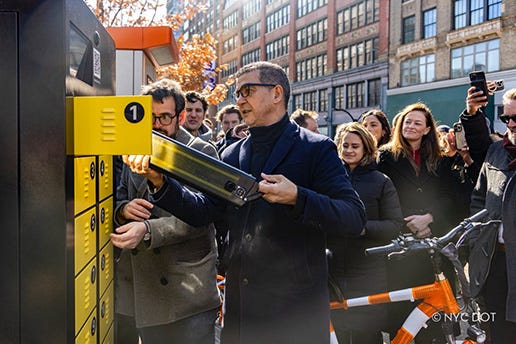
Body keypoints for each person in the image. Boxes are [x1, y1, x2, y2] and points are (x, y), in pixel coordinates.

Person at [122, 61, 366, 344]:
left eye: (247, 91)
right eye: (237, 93)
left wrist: (298, 197)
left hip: (294, 312)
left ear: (276, 93)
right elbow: (204, 211)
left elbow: (354, 217)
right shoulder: (231, 154)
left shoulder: (315, 148)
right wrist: (160, 182)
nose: (239, 100)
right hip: (241, 312)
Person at [110, 78, 221, 344]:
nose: (157, 124)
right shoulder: (134, 145)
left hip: (186, 291)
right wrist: (124, 209)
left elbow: (203, 216)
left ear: (180, 116)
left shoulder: (201, 150)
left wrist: (148, 230)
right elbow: (119, 196)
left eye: (165, 117)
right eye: (150, 117)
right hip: (142, 286)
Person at [377, 102, 454, 342]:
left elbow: (451, 194)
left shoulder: (440, 159)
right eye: (407, 121)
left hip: (433, 241)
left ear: (427, 129)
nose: (410, 126)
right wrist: (409, 221)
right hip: (400, 244)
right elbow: (382, 195)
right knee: (403, 314)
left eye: (417, 123)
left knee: (434, 318)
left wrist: (430, 218)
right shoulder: (386, 156)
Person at [329, 122, 403, 343]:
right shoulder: (329, 179)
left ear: (366, 149)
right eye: (345, 145)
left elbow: (394, 224)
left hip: (368, 268)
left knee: (367, 334)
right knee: (335, 333)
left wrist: (362, 228)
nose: (349, 150)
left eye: (355, 146)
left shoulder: (381, 181)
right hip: (331, 266)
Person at [464, 87, 516, 344]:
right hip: (496, 264)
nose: (511, 124)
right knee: (498, 335)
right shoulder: (497, 151)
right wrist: (478, 241)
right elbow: (478, 199)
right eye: (506, 118)